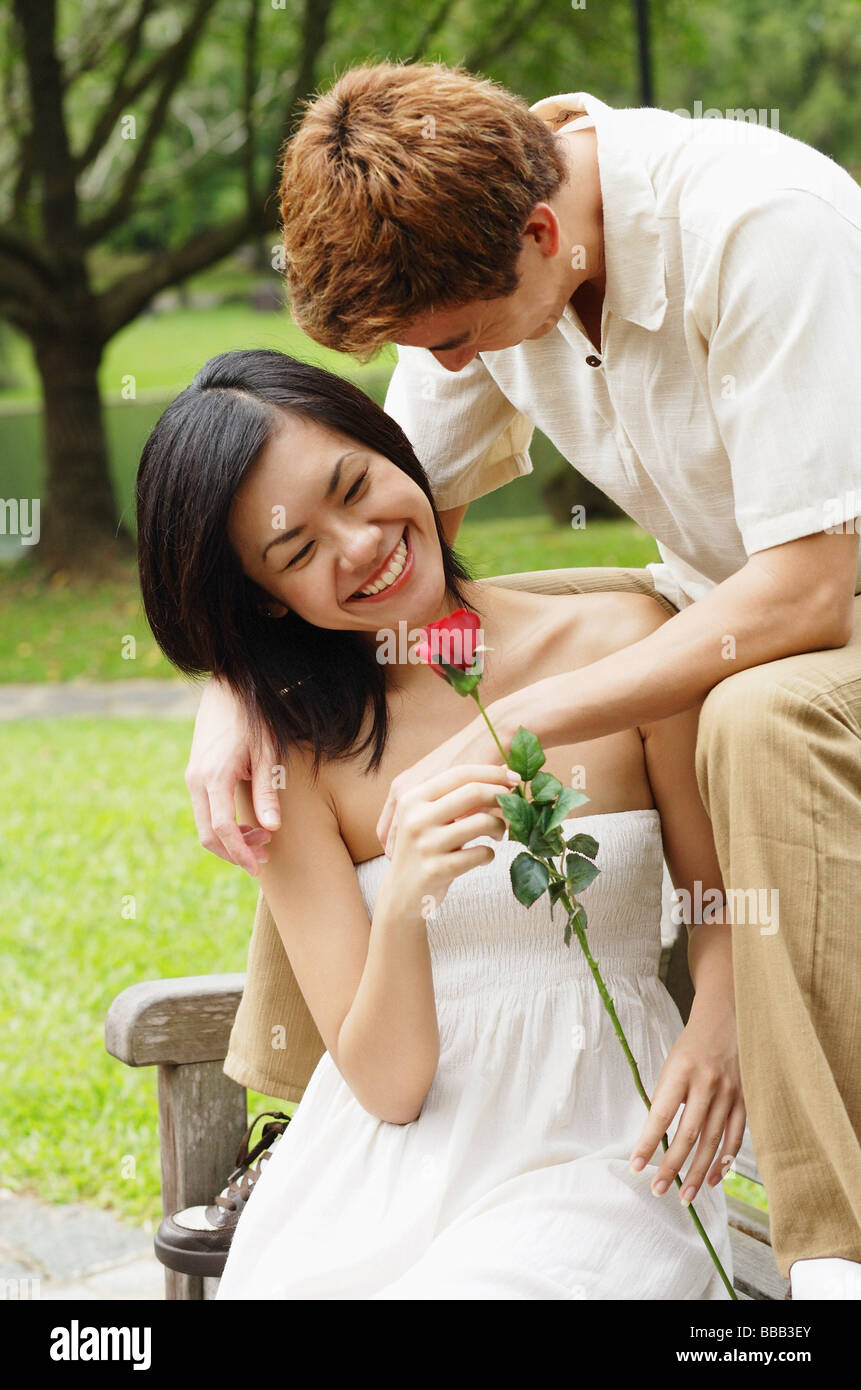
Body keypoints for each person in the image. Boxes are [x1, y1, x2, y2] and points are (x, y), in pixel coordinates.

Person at [183, 63, 861, 1298]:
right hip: (724, 596)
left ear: (545, 236)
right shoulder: (471, 245)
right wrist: (233, 685)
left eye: (452, 343)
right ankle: (301, 1117)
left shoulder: (766, 230)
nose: (443, 366)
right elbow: (381, 516)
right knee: (353, 682)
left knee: (705, 689)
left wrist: (528, 722)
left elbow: (811, 593)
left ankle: (831, 1264)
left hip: (825, 615)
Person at [137, 348, 741, 1299]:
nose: (360, 545)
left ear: (396, 450)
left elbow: (718, 894)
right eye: (298, 551)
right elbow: (389, 1086)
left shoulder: (622, 647)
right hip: (379, 1179)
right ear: (266, 597)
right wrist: (408, 893)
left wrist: (717, 1024)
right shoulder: (295, 759)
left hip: (608, 1151)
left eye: (355, 485)